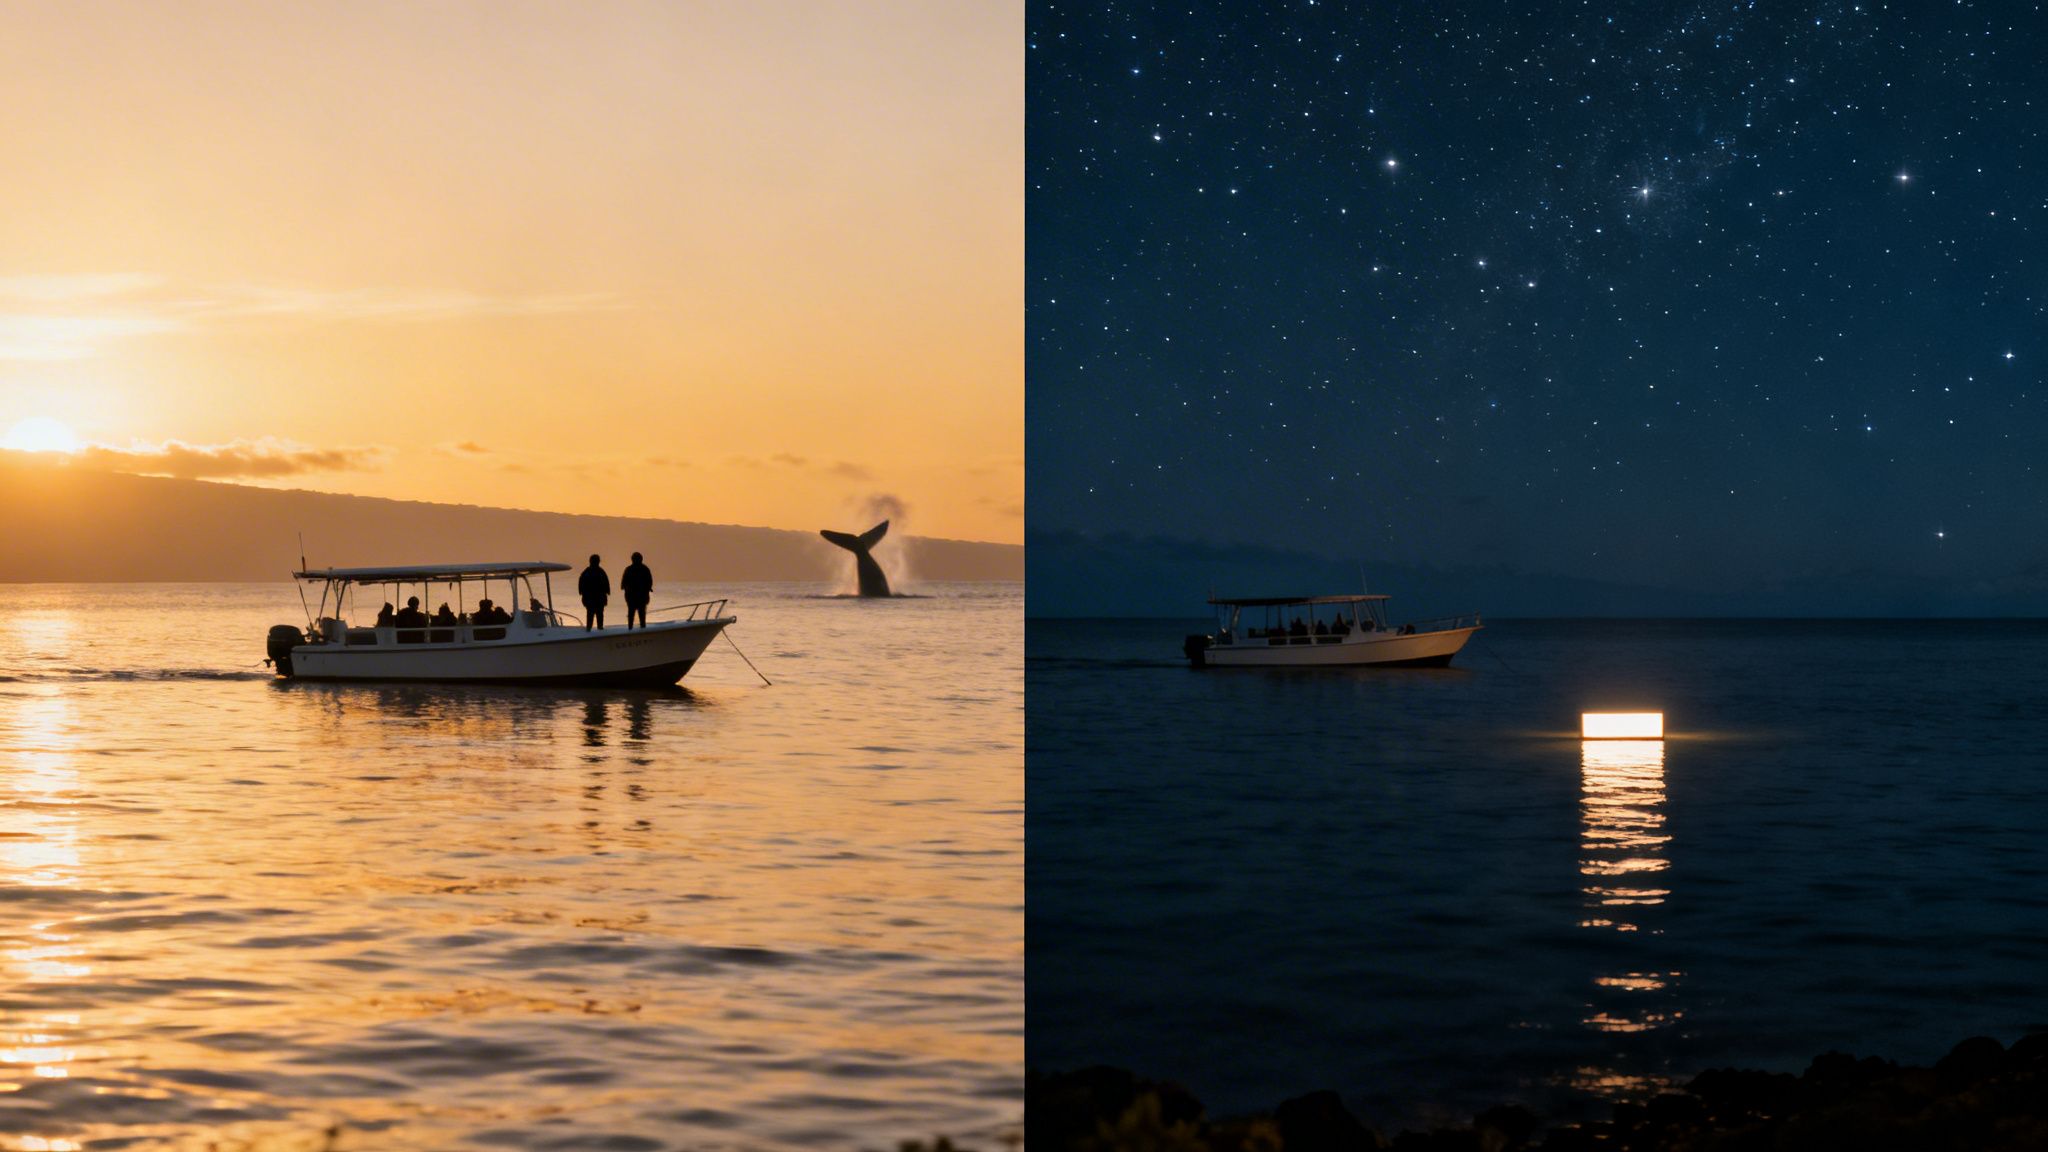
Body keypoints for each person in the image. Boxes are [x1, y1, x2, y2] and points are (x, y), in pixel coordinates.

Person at [621, 551, 653, 629]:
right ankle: (641, 627)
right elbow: (649, 582)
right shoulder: (645, 569)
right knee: (640, 613)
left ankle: (631, 628)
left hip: (633, 597)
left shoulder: (629, 569)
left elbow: (623, 583)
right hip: (639, 597)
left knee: (632, 613)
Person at [579, 553, 610, 630]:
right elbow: (607, 586)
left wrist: (582, 594)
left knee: (591, 614)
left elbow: (580, 587)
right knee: (598, 614)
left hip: (591, 599)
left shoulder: (586, 572)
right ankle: (598, 628)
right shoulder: (601, 572)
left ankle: (589, 629)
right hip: (597, 599)